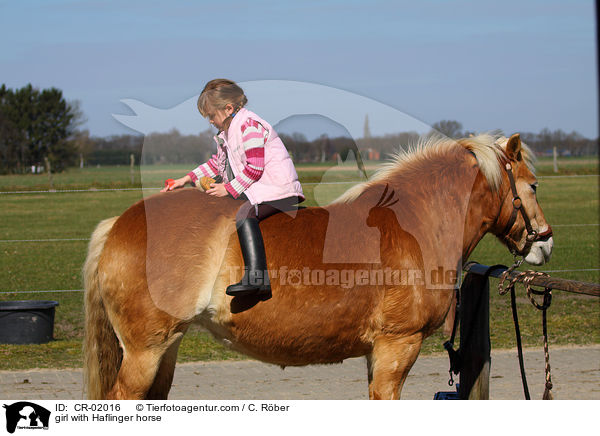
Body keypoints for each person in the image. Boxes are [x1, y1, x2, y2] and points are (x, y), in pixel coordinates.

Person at [161, 79, 304, 296]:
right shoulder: (228, 132)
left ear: (228, 108)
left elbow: (254, 169)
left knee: (244, 214)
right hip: (260, 189)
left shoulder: (249, 126)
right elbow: (216, 165)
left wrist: (227, 189)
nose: (210, 121)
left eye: (211, 115)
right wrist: (185, 179)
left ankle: (257, 278)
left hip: (278, 190)